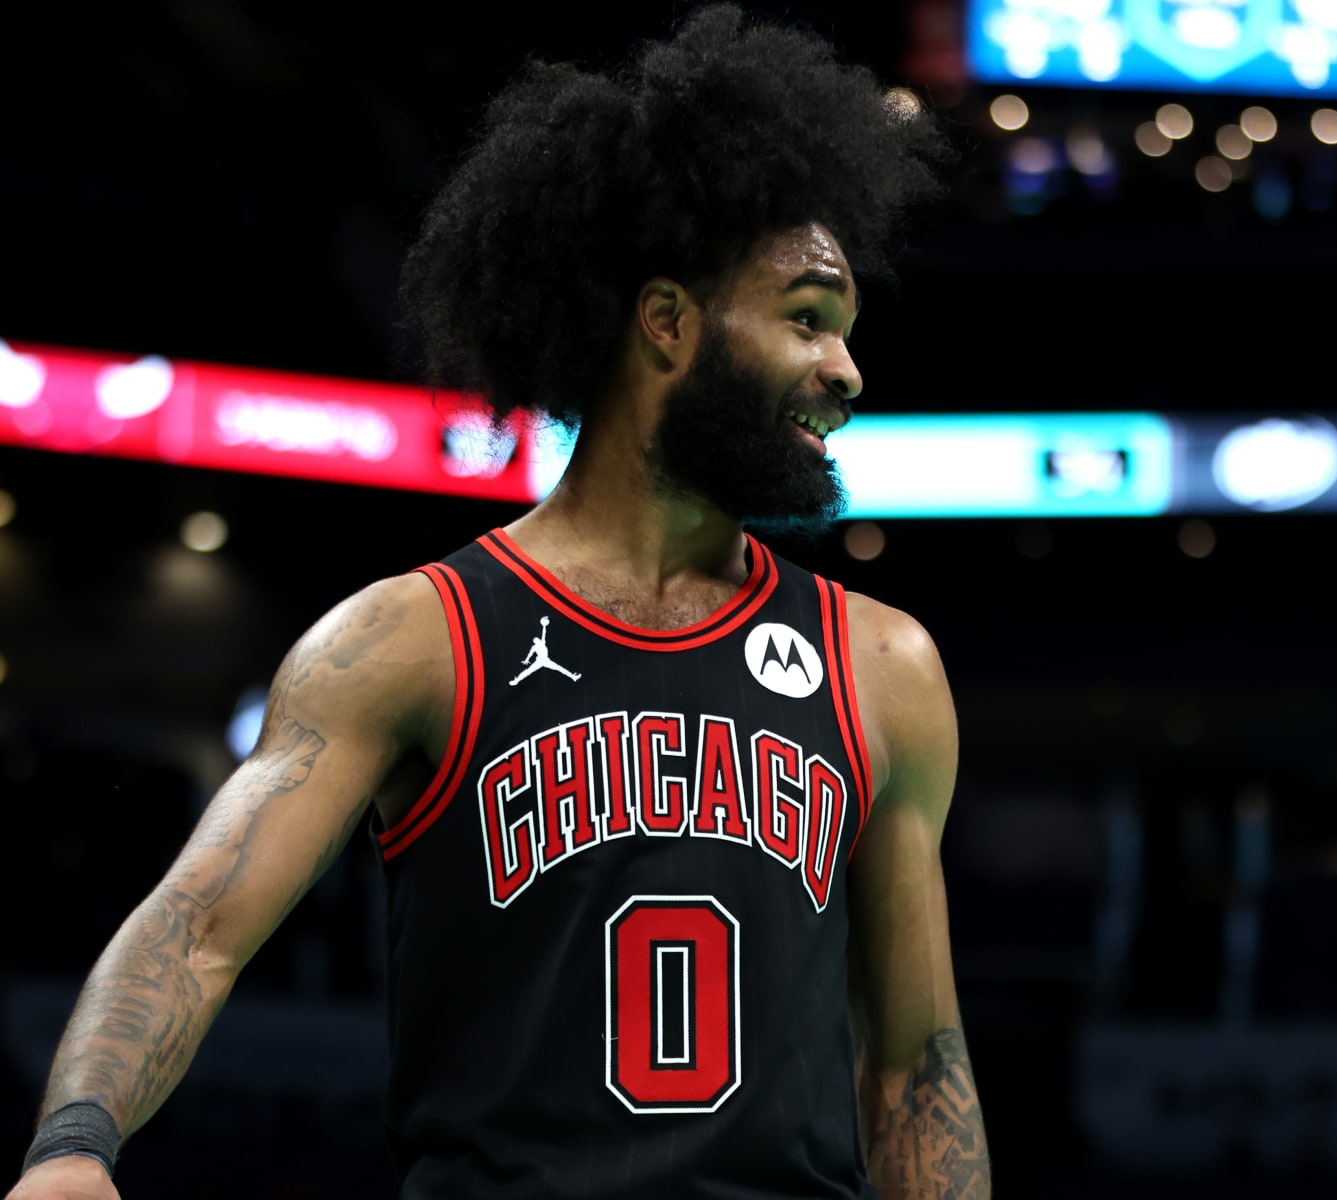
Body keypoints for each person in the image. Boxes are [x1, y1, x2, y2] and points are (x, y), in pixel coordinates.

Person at [10, 7, 986, 1197]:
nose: (847, 370)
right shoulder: (412, 638)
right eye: (806, 320)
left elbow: (916, 1067)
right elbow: (198, 925)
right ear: (668, 322)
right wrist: (74, 1145)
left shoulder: (882, 664)